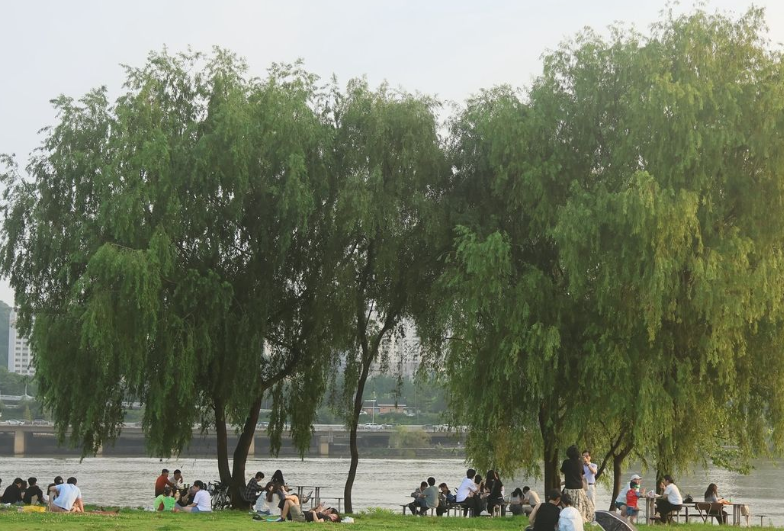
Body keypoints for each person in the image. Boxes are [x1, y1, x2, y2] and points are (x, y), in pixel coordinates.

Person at [561, 445, 594, 522]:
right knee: (580, 507)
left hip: (569, 489)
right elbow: (582, 473)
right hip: (579, 489)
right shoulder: (580, 463)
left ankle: (568, 520)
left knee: (568, 507)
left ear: (568, 453)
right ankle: (579, 520)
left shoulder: (566, 462)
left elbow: (563, 471)